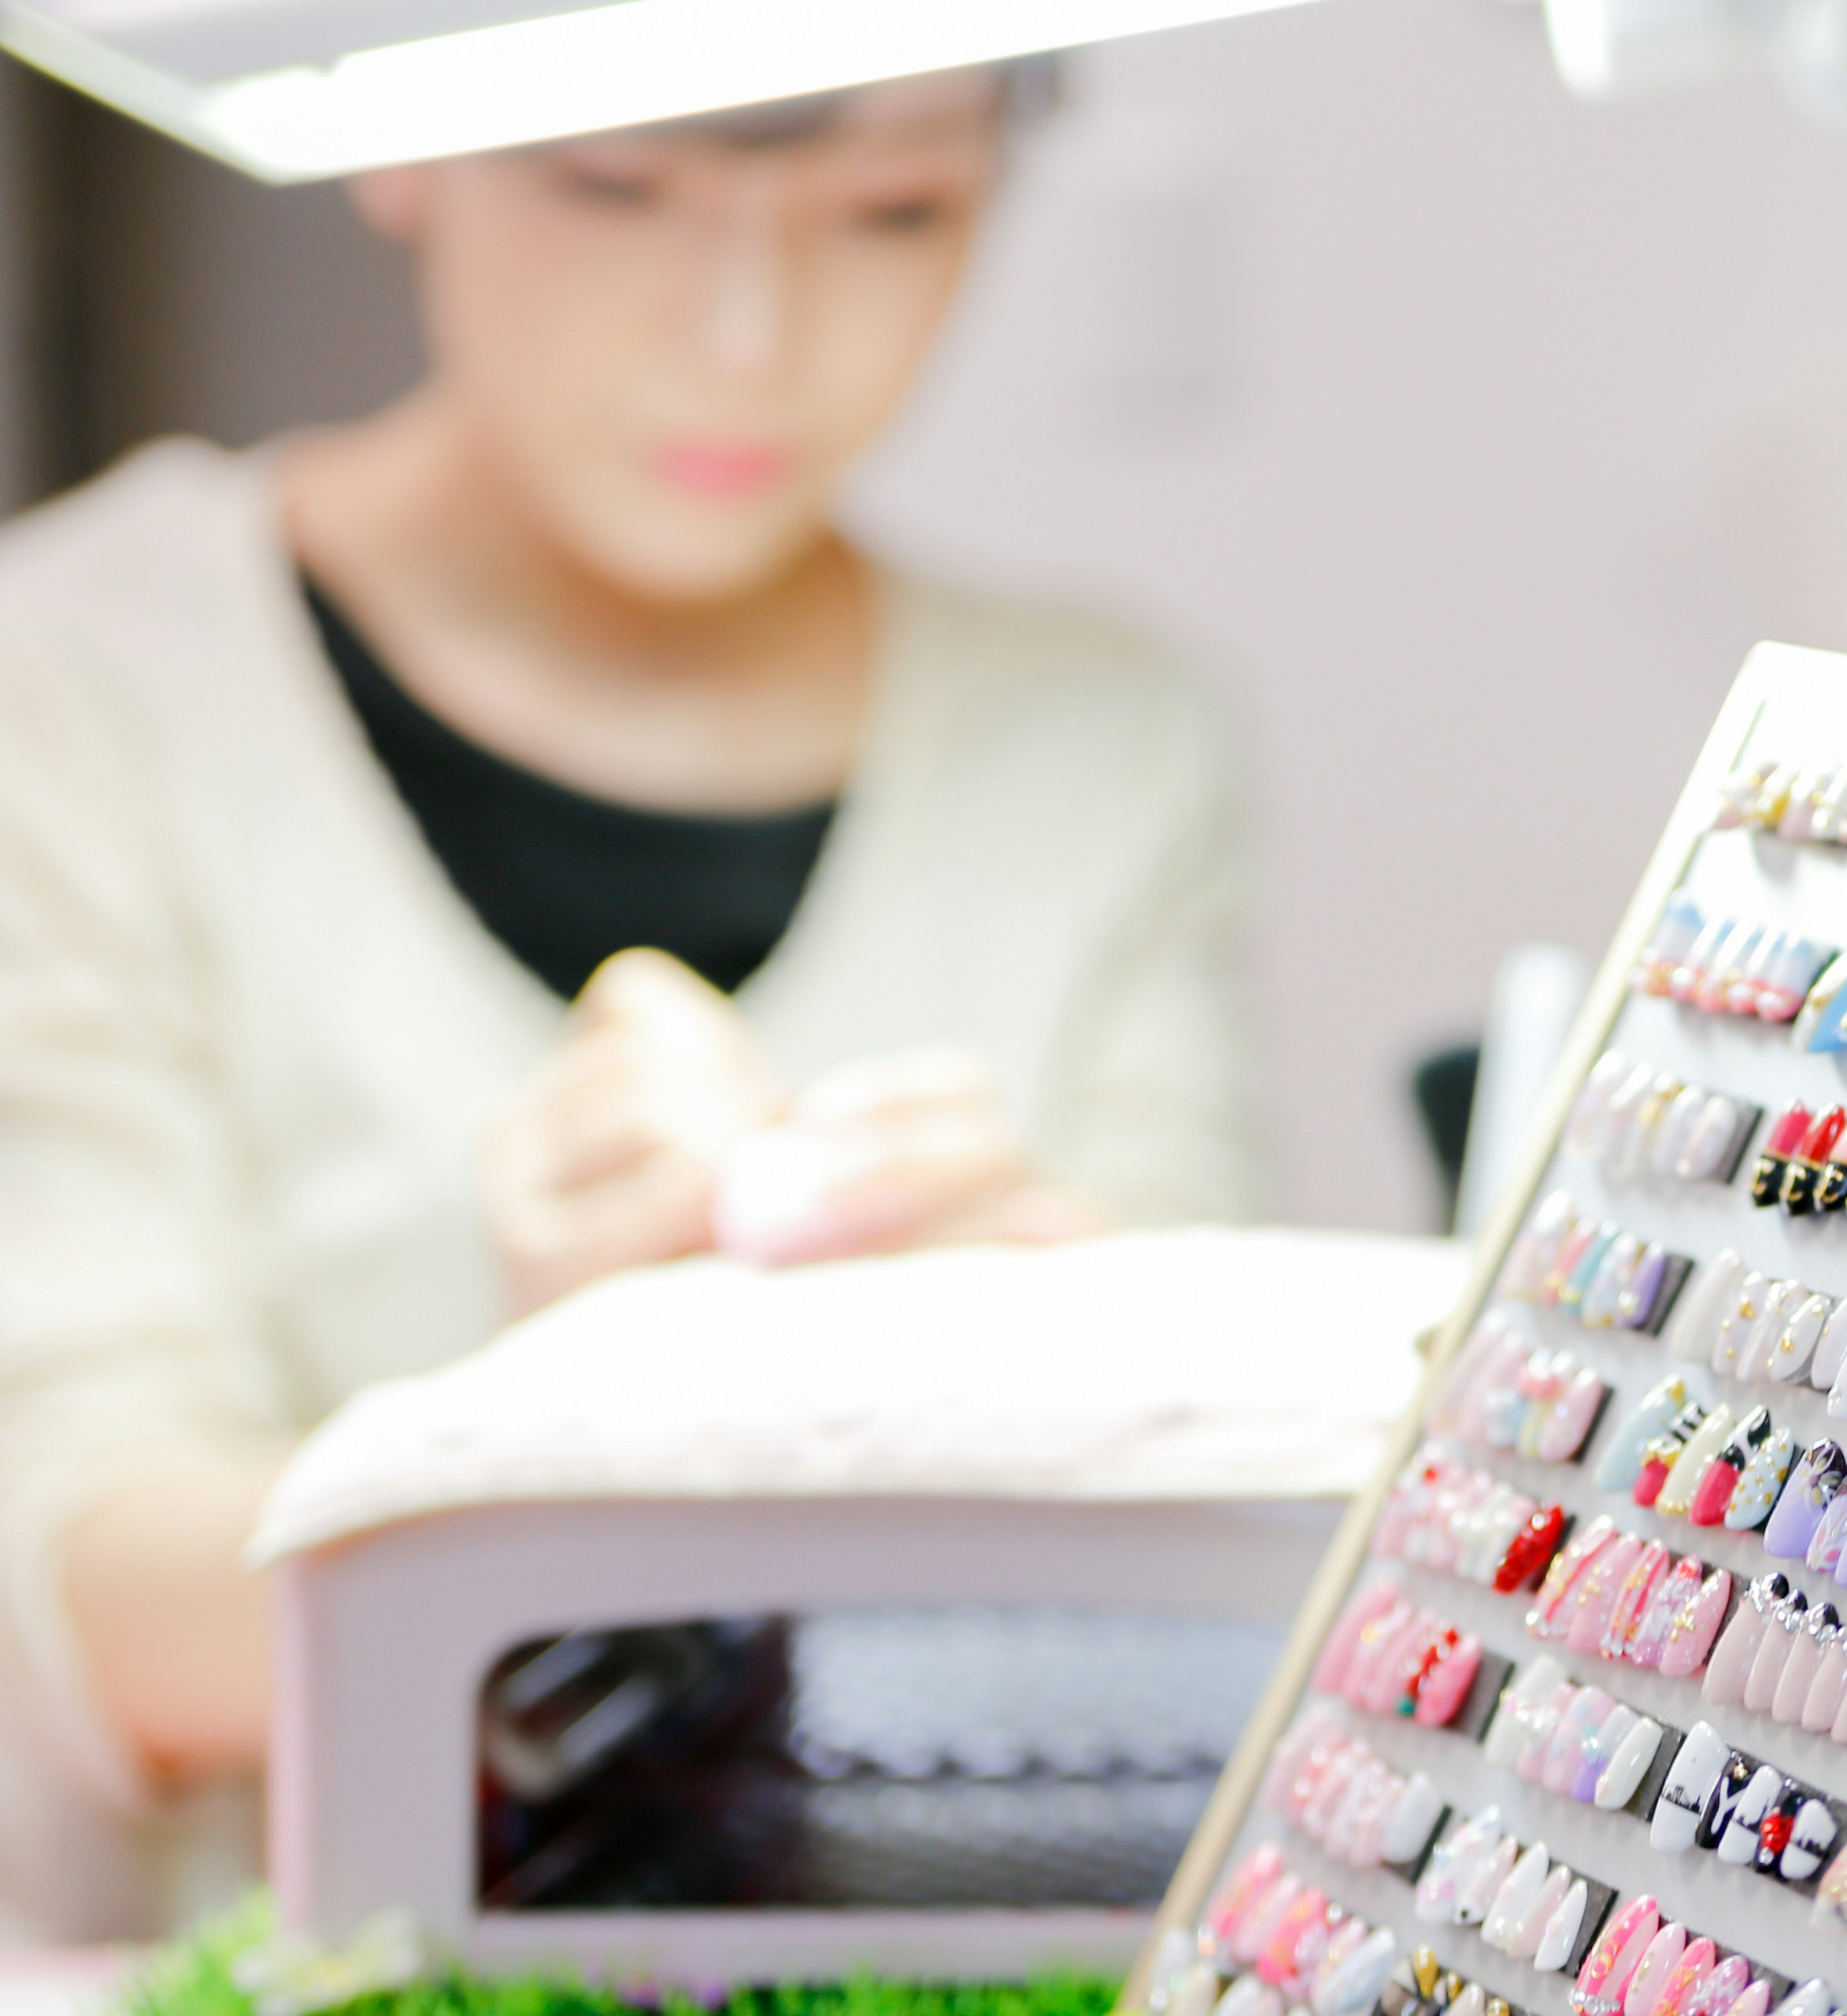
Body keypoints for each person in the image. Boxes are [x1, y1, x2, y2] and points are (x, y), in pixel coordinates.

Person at [0, 69, 1258, 1941]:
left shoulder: (1100, 745)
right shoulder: (87, 684)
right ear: (401, 134)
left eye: (897, 210)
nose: (750, 340)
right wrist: (552, 1442)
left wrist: (1049, 1349)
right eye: (614, 187)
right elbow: (87, 1608)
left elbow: (1223, 1608)